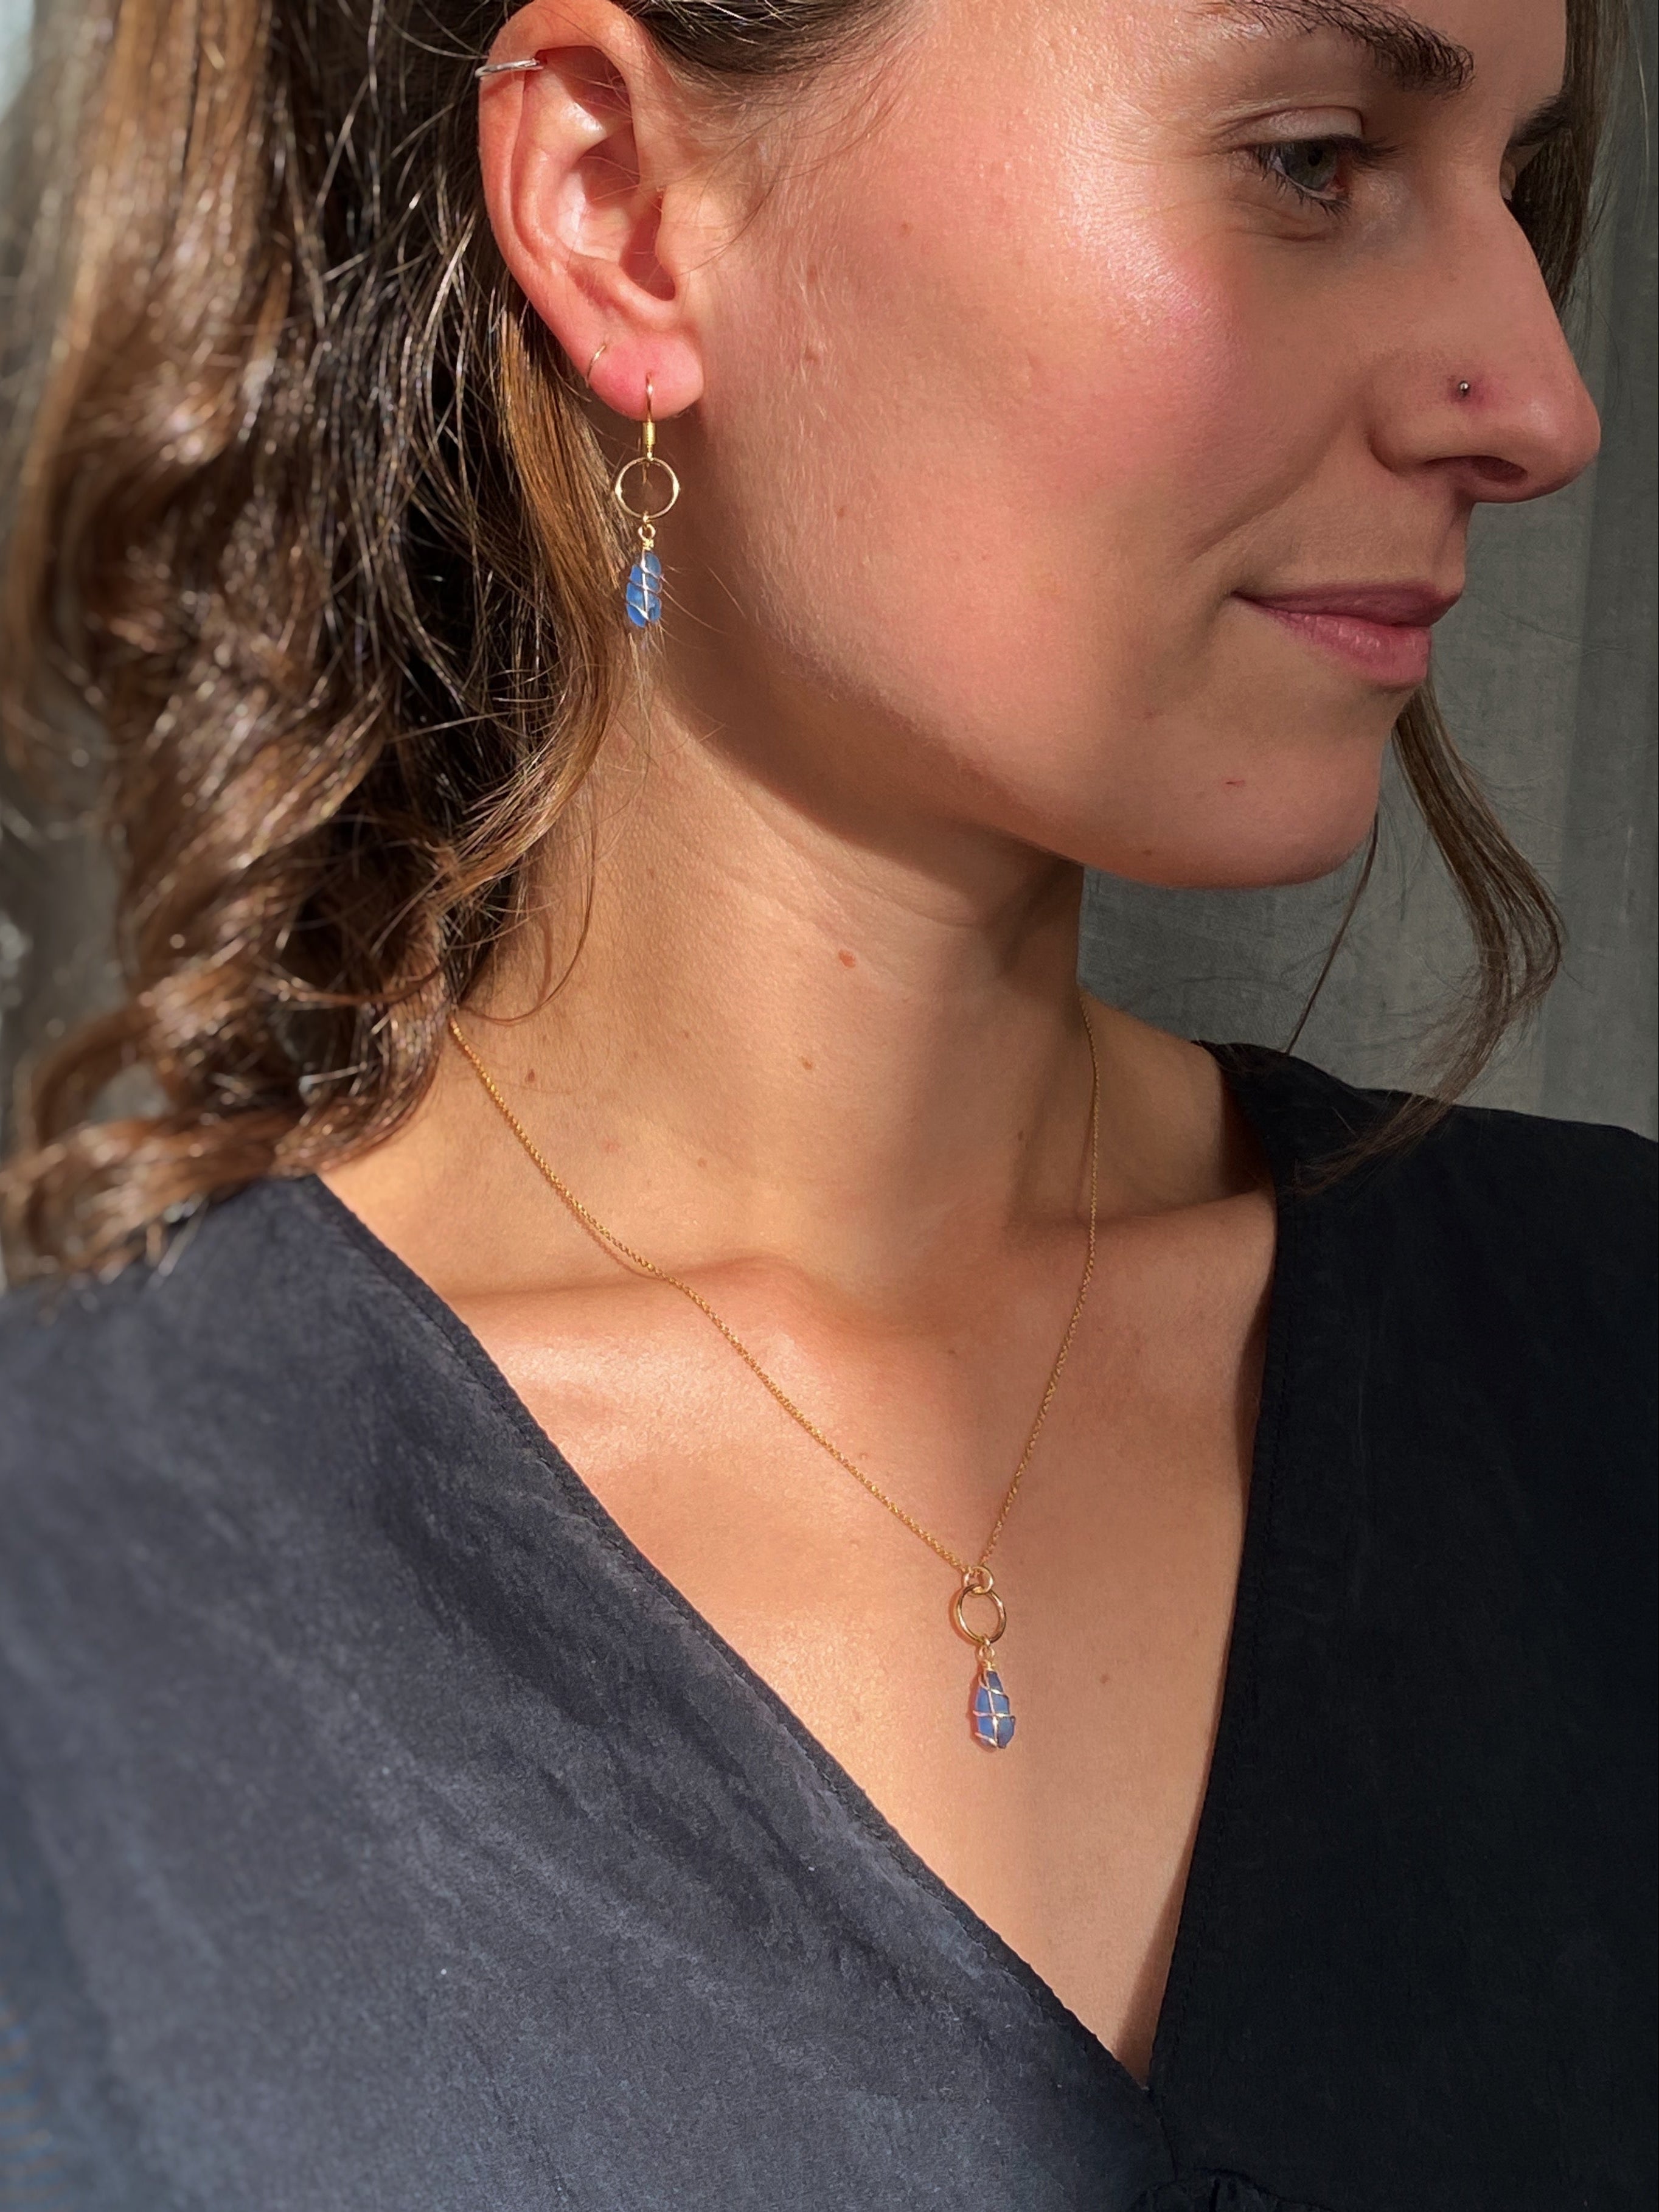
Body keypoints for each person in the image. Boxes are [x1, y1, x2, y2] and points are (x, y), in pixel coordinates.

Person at [0, 0, 1651, 2203]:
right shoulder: (83, 1614)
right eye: (1314, 159)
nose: (1543, 403)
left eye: (1518, 189)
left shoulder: (1604, 1360)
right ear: (619, 208)